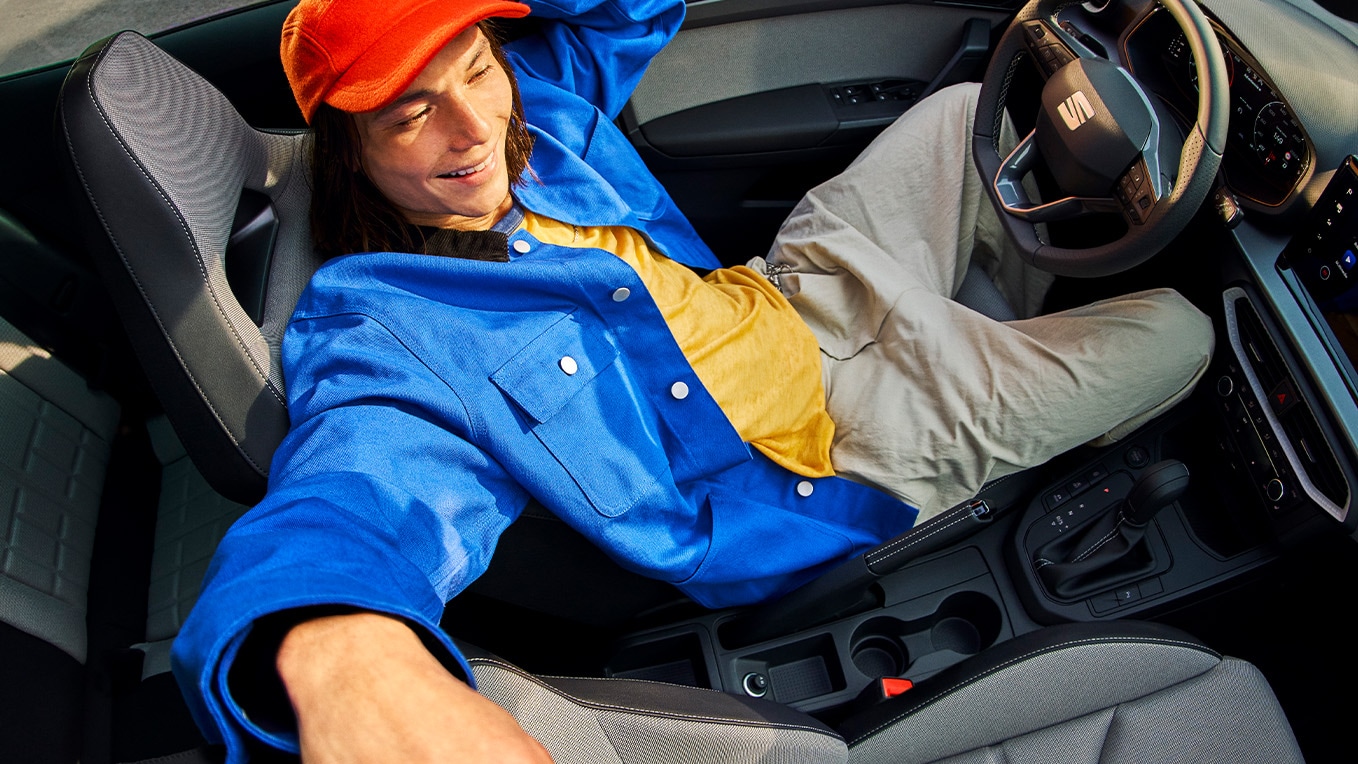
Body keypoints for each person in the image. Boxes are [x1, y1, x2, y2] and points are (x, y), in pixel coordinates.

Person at [172, 0, 1214, 761]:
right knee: (1179, 333)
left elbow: (633, 10)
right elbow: (355, 489)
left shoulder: (528, 96)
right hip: (825, 445)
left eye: (471, 68)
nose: (471, 130)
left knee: (960, 120)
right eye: (409, 112)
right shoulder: (385, 321)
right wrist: (340, 647)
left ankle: (992, 348)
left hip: (793, 290)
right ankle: (987, 381)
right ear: (346, 148)